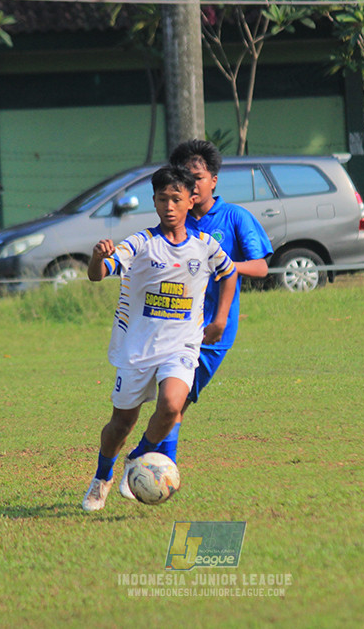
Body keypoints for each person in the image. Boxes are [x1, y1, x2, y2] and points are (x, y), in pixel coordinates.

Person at [112, 140, 274, 502]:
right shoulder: (173, 220)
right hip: (162, 330)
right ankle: (149, 467)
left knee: (175, 404)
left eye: (199, 178)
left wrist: (222, 267)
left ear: (213, 181)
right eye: (187, 179)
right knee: (170, 405)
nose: (194, 185)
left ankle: (144, 467)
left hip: (211, 331)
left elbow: (262, 267)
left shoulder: (234, 218)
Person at [82, 164, 237, 512]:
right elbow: (98, 275)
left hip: (181, 346)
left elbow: (230, 274)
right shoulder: (141, 243)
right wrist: (96, 259)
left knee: (171, 405)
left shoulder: (205, 246)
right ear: (154, 201)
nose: (169, 206)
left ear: (190, 200)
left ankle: (135, 461)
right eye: (162, 199)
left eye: (176, 199)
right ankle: (101, 477)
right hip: (137, 348)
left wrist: (222, 318)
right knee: (120, 423)